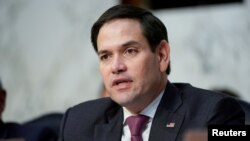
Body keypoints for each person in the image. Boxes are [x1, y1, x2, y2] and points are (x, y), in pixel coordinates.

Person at [58, 5, 245, 141]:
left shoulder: (214, 114)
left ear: (162, 55)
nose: (116, 66)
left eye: (130, 51)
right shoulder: (78, 122)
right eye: (105, 56)